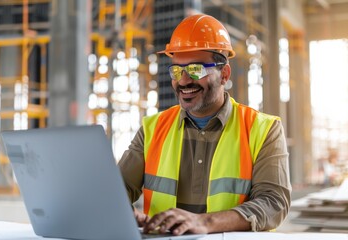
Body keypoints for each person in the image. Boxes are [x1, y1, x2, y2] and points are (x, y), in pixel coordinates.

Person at [118, 14, 291, 235]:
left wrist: (206, 223)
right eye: (177, 70)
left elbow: (274, 203)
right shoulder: (153, 128)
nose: (183, 81)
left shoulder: (263, 129)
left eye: (196, 69)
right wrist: (121, 211)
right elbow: (118, 189)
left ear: (224, 74)